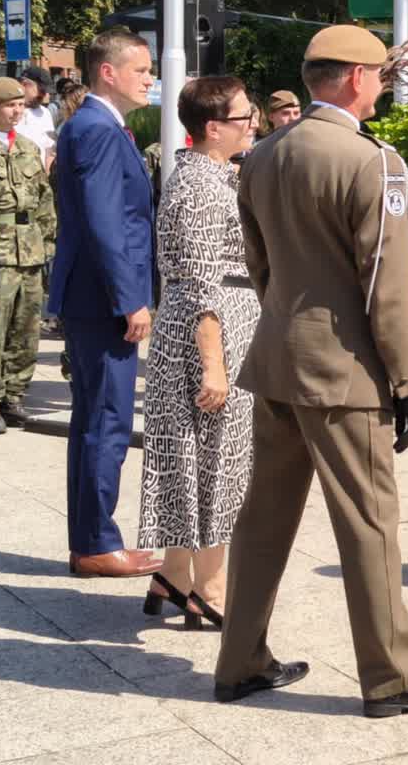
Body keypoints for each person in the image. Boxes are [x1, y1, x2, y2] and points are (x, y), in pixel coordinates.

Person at [214, 24, 408, 719]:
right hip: (343, 370)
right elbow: (383, 285)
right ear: (357, 78)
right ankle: (392, 676)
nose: (383, 88)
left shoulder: (263, 153)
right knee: (368, 524)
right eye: (382, 77)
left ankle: (239, 660)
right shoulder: (372, 161)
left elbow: (259, 260)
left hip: (277, 357)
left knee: (263, 518)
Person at [138, 76, 260, 630]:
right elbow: (199, 283)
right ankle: (209, 590)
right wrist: (215, 364)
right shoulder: (203, 185)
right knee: (218, 464)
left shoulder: (204, 174)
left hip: (206, 328)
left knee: (192, 458)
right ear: (213, 129)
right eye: (243, 117)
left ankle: (174, 575)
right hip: (208, 335)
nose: (252, 122)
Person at [48, 29, 162, 579]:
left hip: (96, 297)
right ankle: (96, 542)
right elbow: (104, 224)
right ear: (107, 73)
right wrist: (130, 300)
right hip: (103, 302)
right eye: (140, 69)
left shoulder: (96, 126)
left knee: (96, 419)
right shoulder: (96, 129)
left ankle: (91, 538)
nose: (150, 78)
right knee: (107, 420)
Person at [0, 78, 56, 435]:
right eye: (10, 106)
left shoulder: (28, 148)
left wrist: (48, 245)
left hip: (29, 251)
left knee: (26, 329)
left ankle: (14, 396)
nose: (17, 112)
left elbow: (44, 200)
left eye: (20, 106)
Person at [17, 67, 57, 167]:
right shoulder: (3, 111)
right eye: (41, 90)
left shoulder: (45, 113)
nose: (44, 95)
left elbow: (49, 149)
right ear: (24, 84)